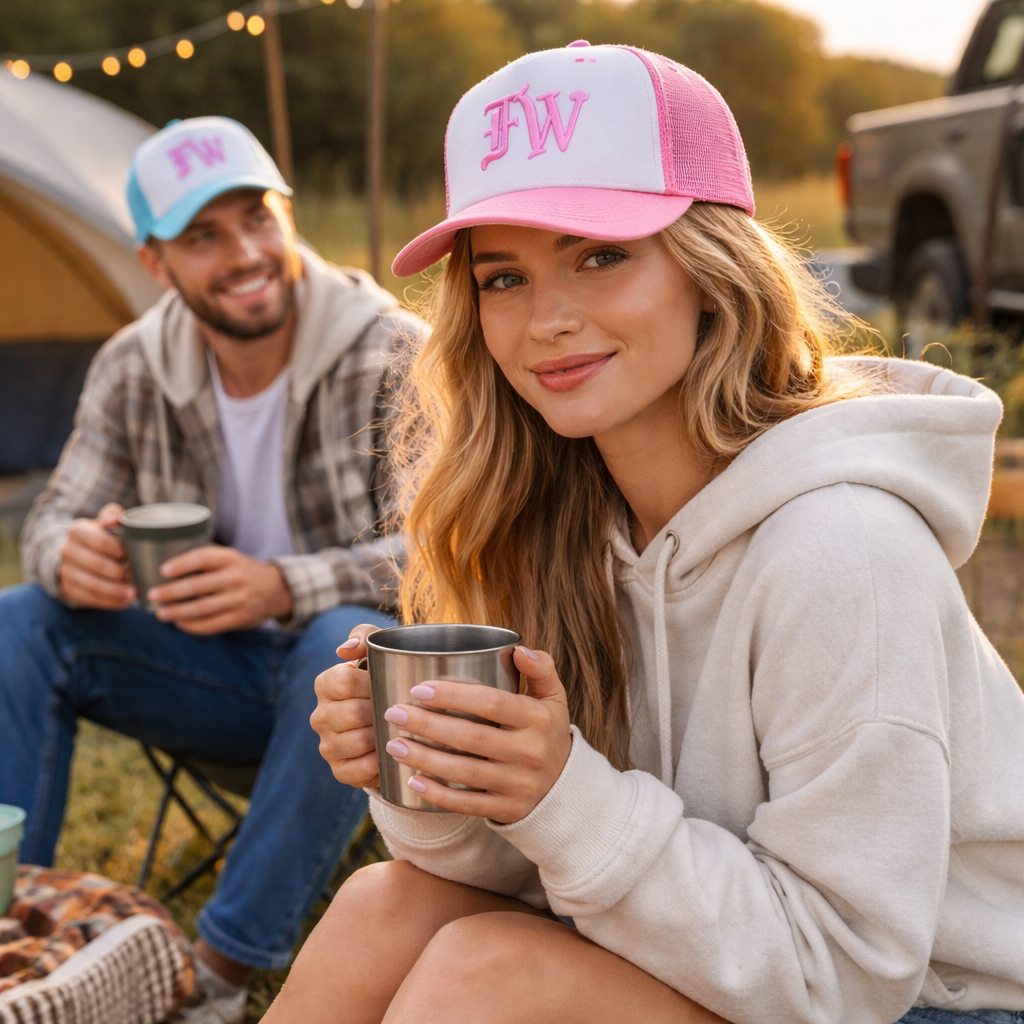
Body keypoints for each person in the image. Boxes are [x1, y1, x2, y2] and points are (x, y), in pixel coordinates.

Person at [266, 42, 1024, 1024]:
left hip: (934, 1001)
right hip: (729, 954)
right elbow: (536, 867)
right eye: (503, 277)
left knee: (487, 974)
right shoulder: (558, 516)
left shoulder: (843, 548)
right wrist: (445, 778)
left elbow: (840, 976)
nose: (547, 320)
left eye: (600, 255)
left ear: (709, 268)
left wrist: (564, 795)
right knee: (388, 906)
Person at [0, 116, 416, 1023]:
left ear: (288, 217)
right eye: (204, 236)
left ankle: (214, 976)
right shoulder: (133, 363)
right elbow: (54, 518)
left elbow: (449, 555)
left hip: (349, 703)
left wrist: (281, 583)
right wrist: (71, 554)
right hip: (210, 675)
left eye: (258, 219)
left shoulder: (389, 350)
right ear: (156, 264)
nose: (245, 253)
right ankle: (7, 931)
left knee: (337, 641)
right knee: (20, 616)